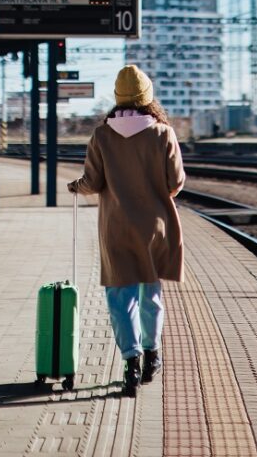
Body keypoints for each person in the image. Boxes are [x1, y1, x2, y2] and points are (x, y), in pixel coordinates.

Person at [68, 65, 186, 398]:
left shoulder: (102, 135)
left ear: (117, 98)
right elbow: (176, 183)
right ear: (147, 97)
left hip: (116, 228)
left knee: (120, 296)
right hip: (155, 227)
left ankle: (130, 363)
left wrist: (75, 187)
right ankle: (152, 355)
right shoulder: (163, 133)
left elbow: (92, 183)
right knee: (150, 293)